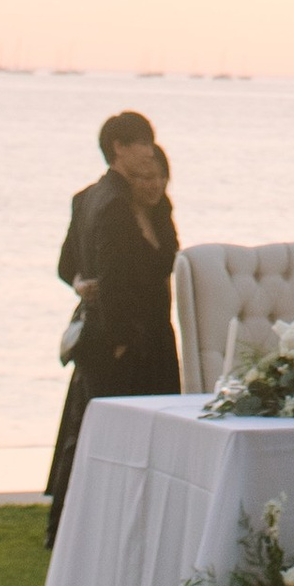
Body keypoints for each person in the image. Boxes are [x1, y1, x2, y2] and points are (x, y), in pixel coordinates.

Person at [46, 135, 177, 543]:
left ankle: (115, 518)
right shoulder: (109, 205)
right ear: (121, 155)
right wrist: (87, 289)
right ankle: (69, 525)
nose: (150, 182)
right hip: (118, 337)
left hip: (152, 334)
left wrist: (82, 283)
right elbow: (79, 267)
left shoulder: (156, 212)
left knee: (125, 428)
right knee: (95, 428)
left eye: (157, 175)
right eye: (141, 174)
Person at [58, 110, 155, 291]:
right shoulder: (119, 203)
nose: (150, 153)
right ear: (118, 147)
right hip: (125, 318)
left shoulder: (84, 197)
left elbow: (65, 268)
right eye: (144, 144)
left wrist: (80, 285)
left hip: (92, 317)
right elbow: (115, 283)